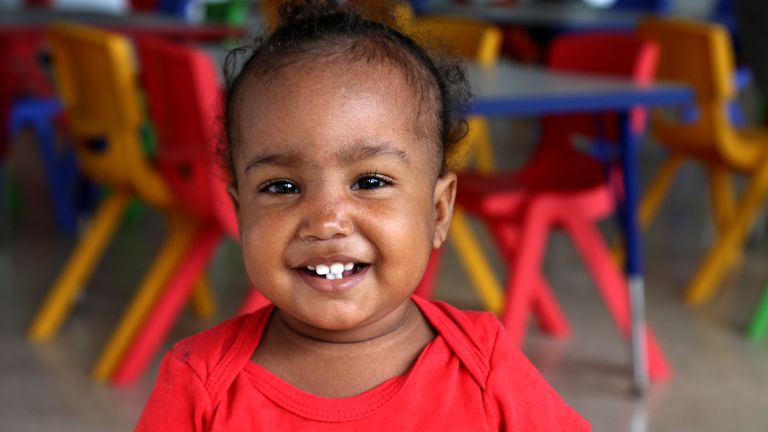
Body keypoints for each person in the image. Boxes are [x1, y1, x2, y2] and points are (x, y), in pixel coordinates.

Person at [136, 0, 590, 429]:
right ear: (241, 213)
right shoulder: (200, 382)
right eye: (282, 187)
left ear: (437, 211)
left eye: (369, 182)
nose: (327, 220)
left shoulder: (485, 364)